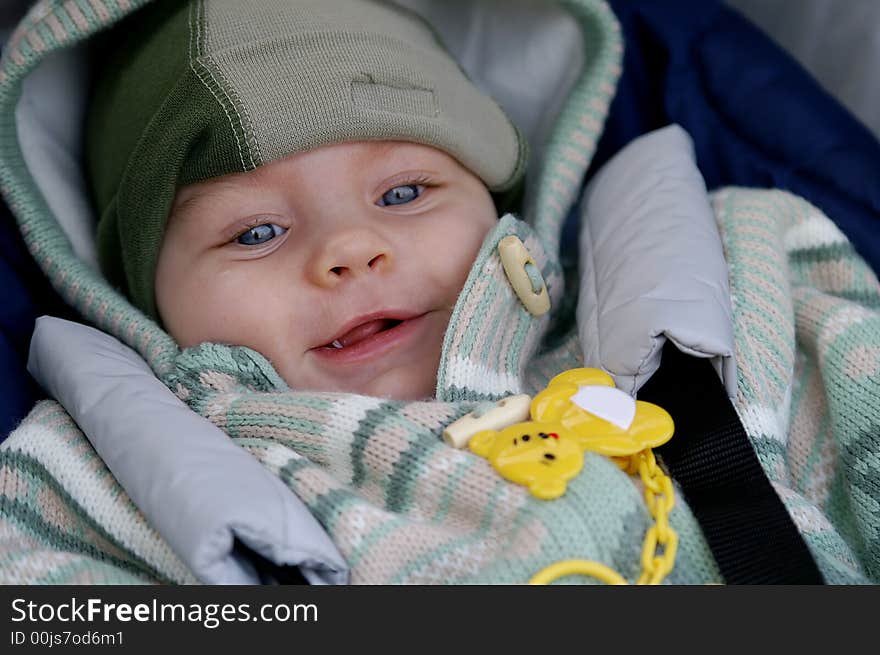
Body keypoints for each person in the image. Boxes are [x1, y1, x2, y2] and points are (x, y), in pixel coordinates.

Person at [2, 0, 879, 585]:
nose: (350, 249)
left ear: (499, 200)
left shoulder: (737, 276)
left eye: (404, 192)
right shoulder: (92, 481)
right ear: (137, 298)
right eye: (255, 232)